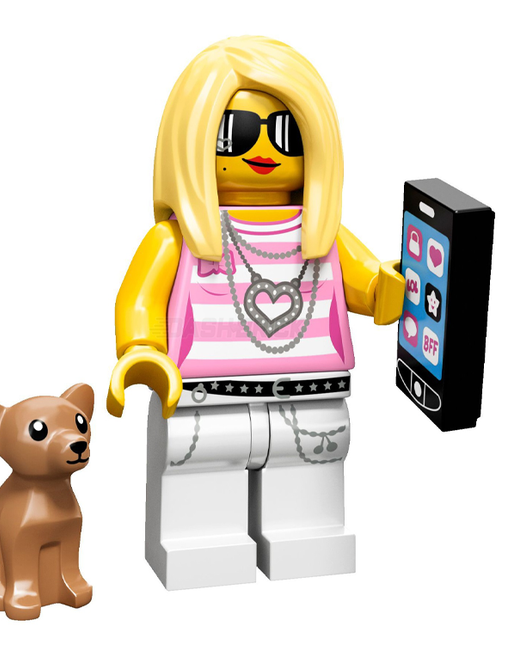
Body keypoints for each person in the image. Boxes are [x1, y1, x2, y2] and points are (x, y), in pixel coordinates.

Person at [107, 36, 404, 590]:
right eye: (237, 133)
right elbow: (139, 298)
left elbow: (364, 284)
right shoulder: (179, 239)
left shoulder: (322, 234)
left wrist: (392, 288)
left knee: (309, 480)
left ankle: (306, 540)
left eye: (286, 134)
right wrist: (142, 349)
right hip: (203, 396)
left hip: (313, 392)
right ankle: (201, 547)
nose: (263, 148)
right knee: (201, 477)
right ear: (192, 143)